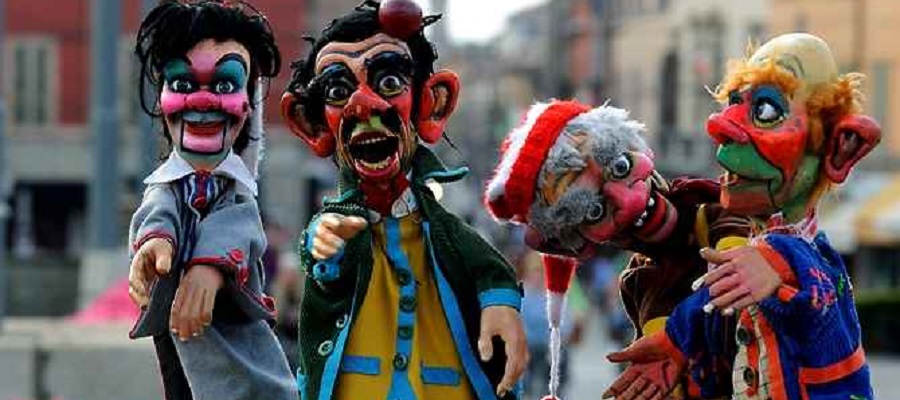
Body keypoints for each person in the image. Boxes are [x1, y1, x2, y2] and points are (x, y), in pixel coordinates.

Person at [604, 33, 880, 400]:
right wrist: (675, 343)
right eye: (734, 102)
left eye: (766, 111)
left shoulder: (813, 264)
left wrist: (778, 260)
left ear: (839, 147)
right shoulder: (743, 257)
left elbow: (815, 287)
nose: (721, 125)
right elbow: (711, 303)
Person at [280, 1, 528, 399]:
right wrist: (323, 244)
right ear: (312, 124)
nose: (364, 105)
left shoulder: (444, 232)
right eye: (339, 92)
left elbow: (486, 264)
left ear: (432, 103)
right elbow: (324, 264)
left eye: (390, 83)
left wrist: (499, 303)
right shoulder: (339, 225)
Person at [485, 100, 749, 398]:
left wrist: (676, 336)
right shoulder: (642, 284)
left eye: (620, 167)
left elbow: (741, 273)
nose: (629, 201)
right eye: (595, 211)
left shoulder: (721, 208)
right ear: (579, 242)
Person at [126, 1, 295, 398]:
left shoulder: (235, 191)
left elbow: (239, 222)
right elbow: (159, 208)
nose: (202, 101)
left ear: (247, 105)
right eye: (184, 85)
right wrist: (155, 242)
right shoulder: (167, 186)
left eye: (223, 86)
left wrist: (211, 266)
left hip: (243, 358)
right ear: (162, 98)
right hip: (179, 347)